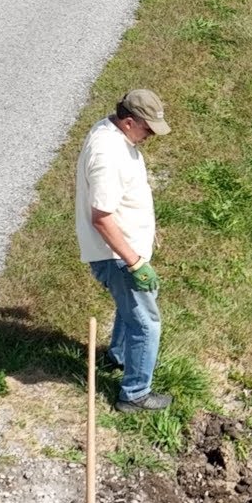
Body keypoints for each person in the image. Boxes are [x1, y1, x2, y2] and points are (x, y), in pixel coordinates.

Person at [75, 89, 172, 413]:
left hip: (125, 251)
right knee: (147, 323)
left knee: (128, 309)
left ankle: (117, 356)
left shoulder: (113, 133)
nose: (150, 137)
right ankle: (135, 395)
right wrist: (134, 262)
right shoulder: (108, 155)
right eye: (147, 130)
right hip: (117, 256)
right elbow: (101, 217)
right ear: (129, 122)